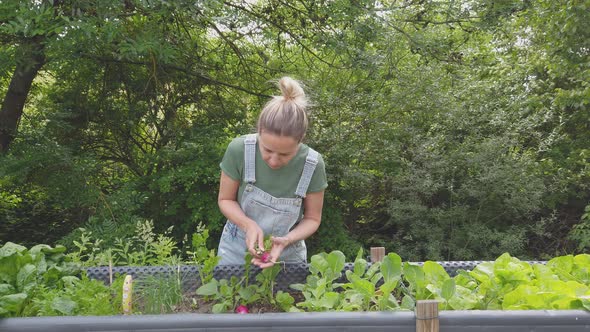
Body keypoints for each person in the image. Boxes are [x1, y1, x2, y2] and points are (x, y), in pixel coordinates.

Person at [217, 77, 327, 269]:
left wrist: (286, 240)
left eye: (285, 154)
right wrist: (248, 225)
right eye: (267, 150)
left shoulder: (313, 164)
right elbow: (225, 200)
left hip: (288, 254)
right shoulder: (239, 150)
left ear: (300, 140)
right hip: (235, 248)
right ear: (259, 131)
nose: (274, 160)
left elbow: (313, 219)